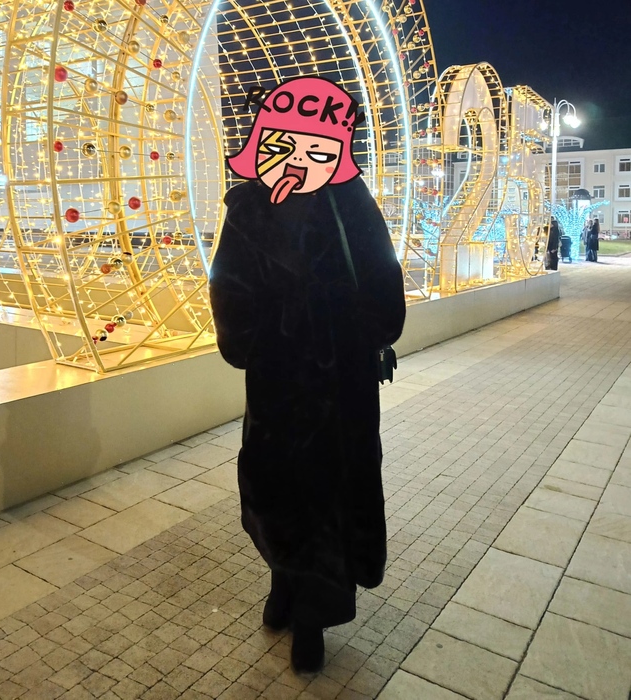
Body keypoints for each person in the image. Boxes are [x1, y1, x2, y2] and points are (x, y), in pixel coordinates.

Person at [209, 77, 406, 674]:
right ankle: (283, 580)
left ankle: (312, 618)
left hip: (340, 379)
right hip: (278, 378)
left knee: (330, 493)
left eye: (318, 150)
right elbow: (228, 283)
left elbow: (381, 277)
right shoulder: (248, 207)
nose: (299, 159)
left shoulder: (350, 203)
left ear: (338, 152)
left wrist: (362, 331)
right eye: (284, 144)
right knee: (273, 486)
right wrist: (252, 343)